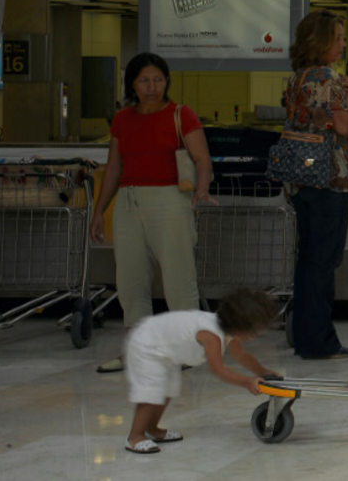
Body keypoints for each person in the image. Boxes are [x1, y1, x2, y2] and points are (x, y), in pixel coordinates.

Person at [90, 52, 214, 374]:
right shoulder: (122, 119)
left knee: (178, 279)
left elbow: (202, 159)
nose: (152, 86)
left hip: (170, 200)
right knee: (130, 282)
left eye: (158, 79)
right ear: (132, 83)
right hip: (129, 203)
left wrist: (202, 189)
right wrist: (98, 211)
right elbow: (114, 167)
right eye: (144, 80)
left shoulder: (180, 115)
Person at [274, 11, 348, 360]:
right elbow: (343, 126)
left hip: (302, 179)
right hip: (329, 177)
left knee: (307, 260)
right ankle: (322, 341)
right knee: (324, 262)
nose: (342, 43)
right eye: (337, 37)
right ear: (321, 40)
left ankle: (305, 336)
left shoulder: (298, 78)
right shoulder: (329, 79)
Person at [121, 287, 282, 455]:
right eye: (254, 331)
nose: (256, 335)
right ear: (240, 325)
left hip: (165, 353)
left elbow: (241, 355)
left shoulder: (226, 330)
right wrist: (247, 382)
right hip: (147, 346)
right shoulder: (210, 334)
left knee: (167, 391)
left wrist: (263, 371)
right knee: (151, 394)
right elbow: (218, 370)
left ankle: (152, 428)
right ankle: (135, 436)